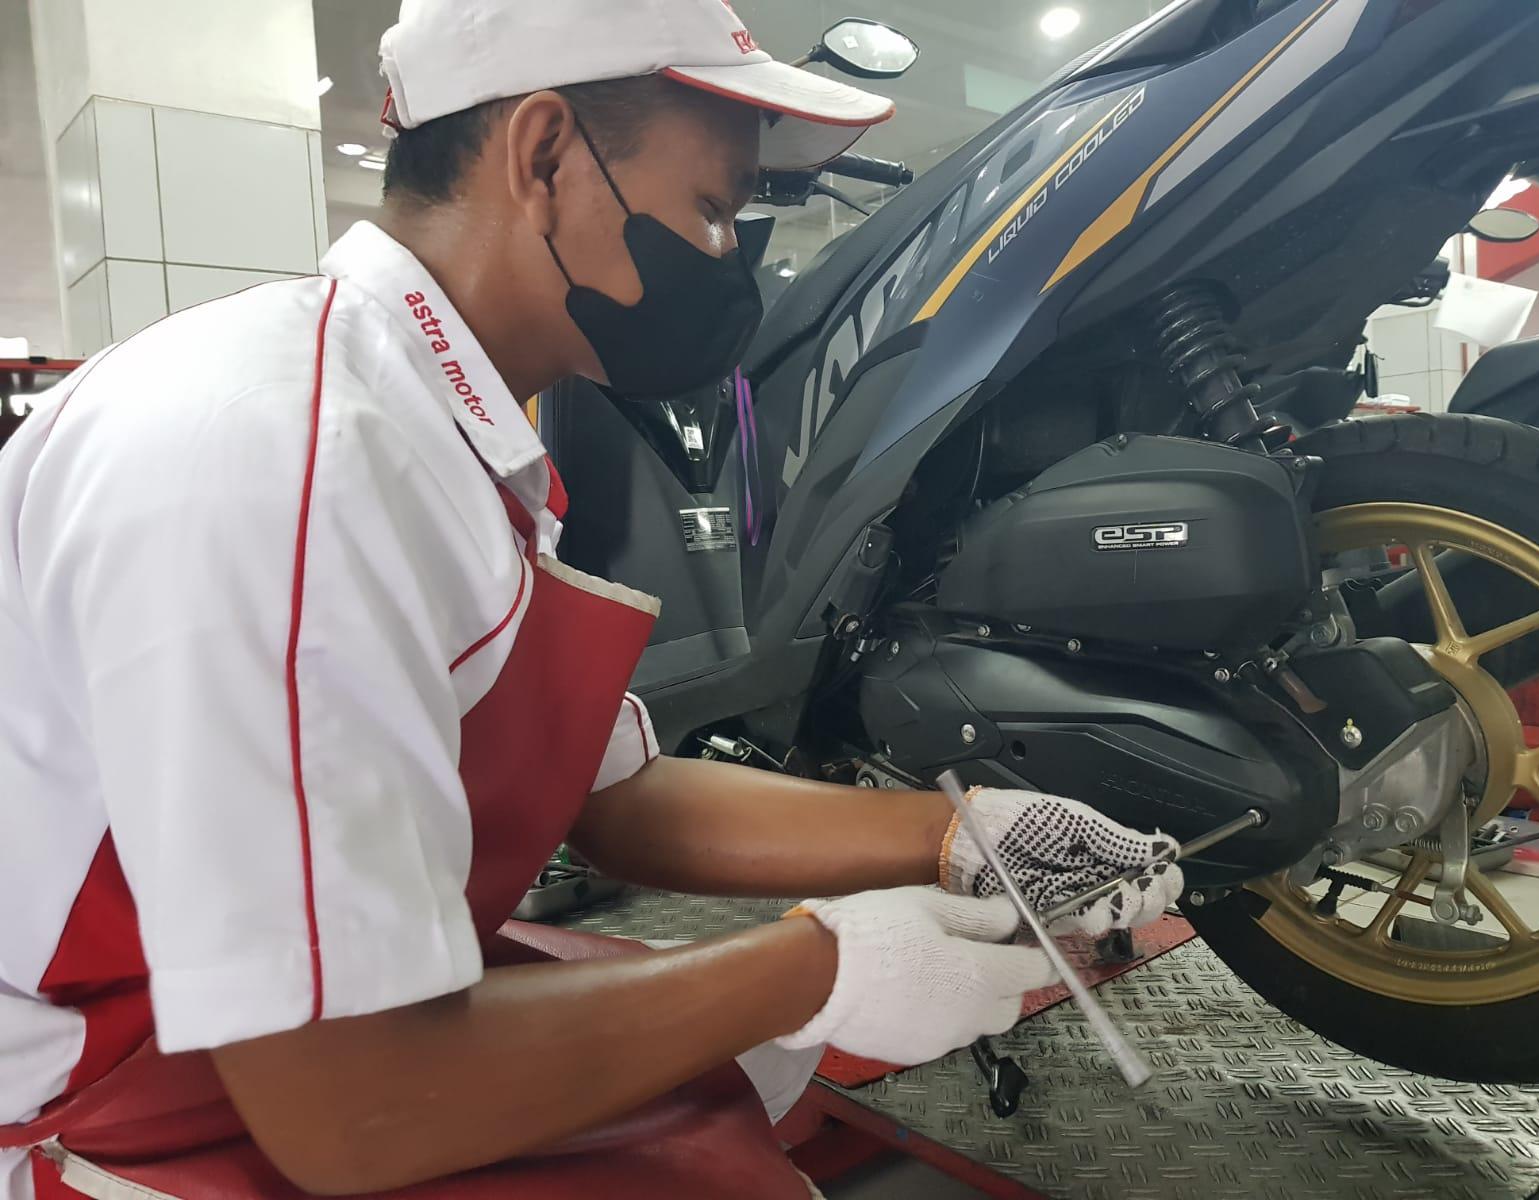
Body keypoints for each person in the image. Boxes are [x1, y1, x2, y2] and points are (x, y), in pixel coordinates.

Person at [0, 1, 1183, 1196]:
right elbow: (351, 1108)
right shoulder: (292, 460)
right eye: (712, 209)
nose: (728, 260)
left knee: (712, 1098)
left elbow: (615, 800)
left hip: (278, 1041)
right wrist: (818, 967)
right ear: (545, 154)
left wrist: (963, 838)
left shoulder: (438, 437)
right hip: (117, 1094)